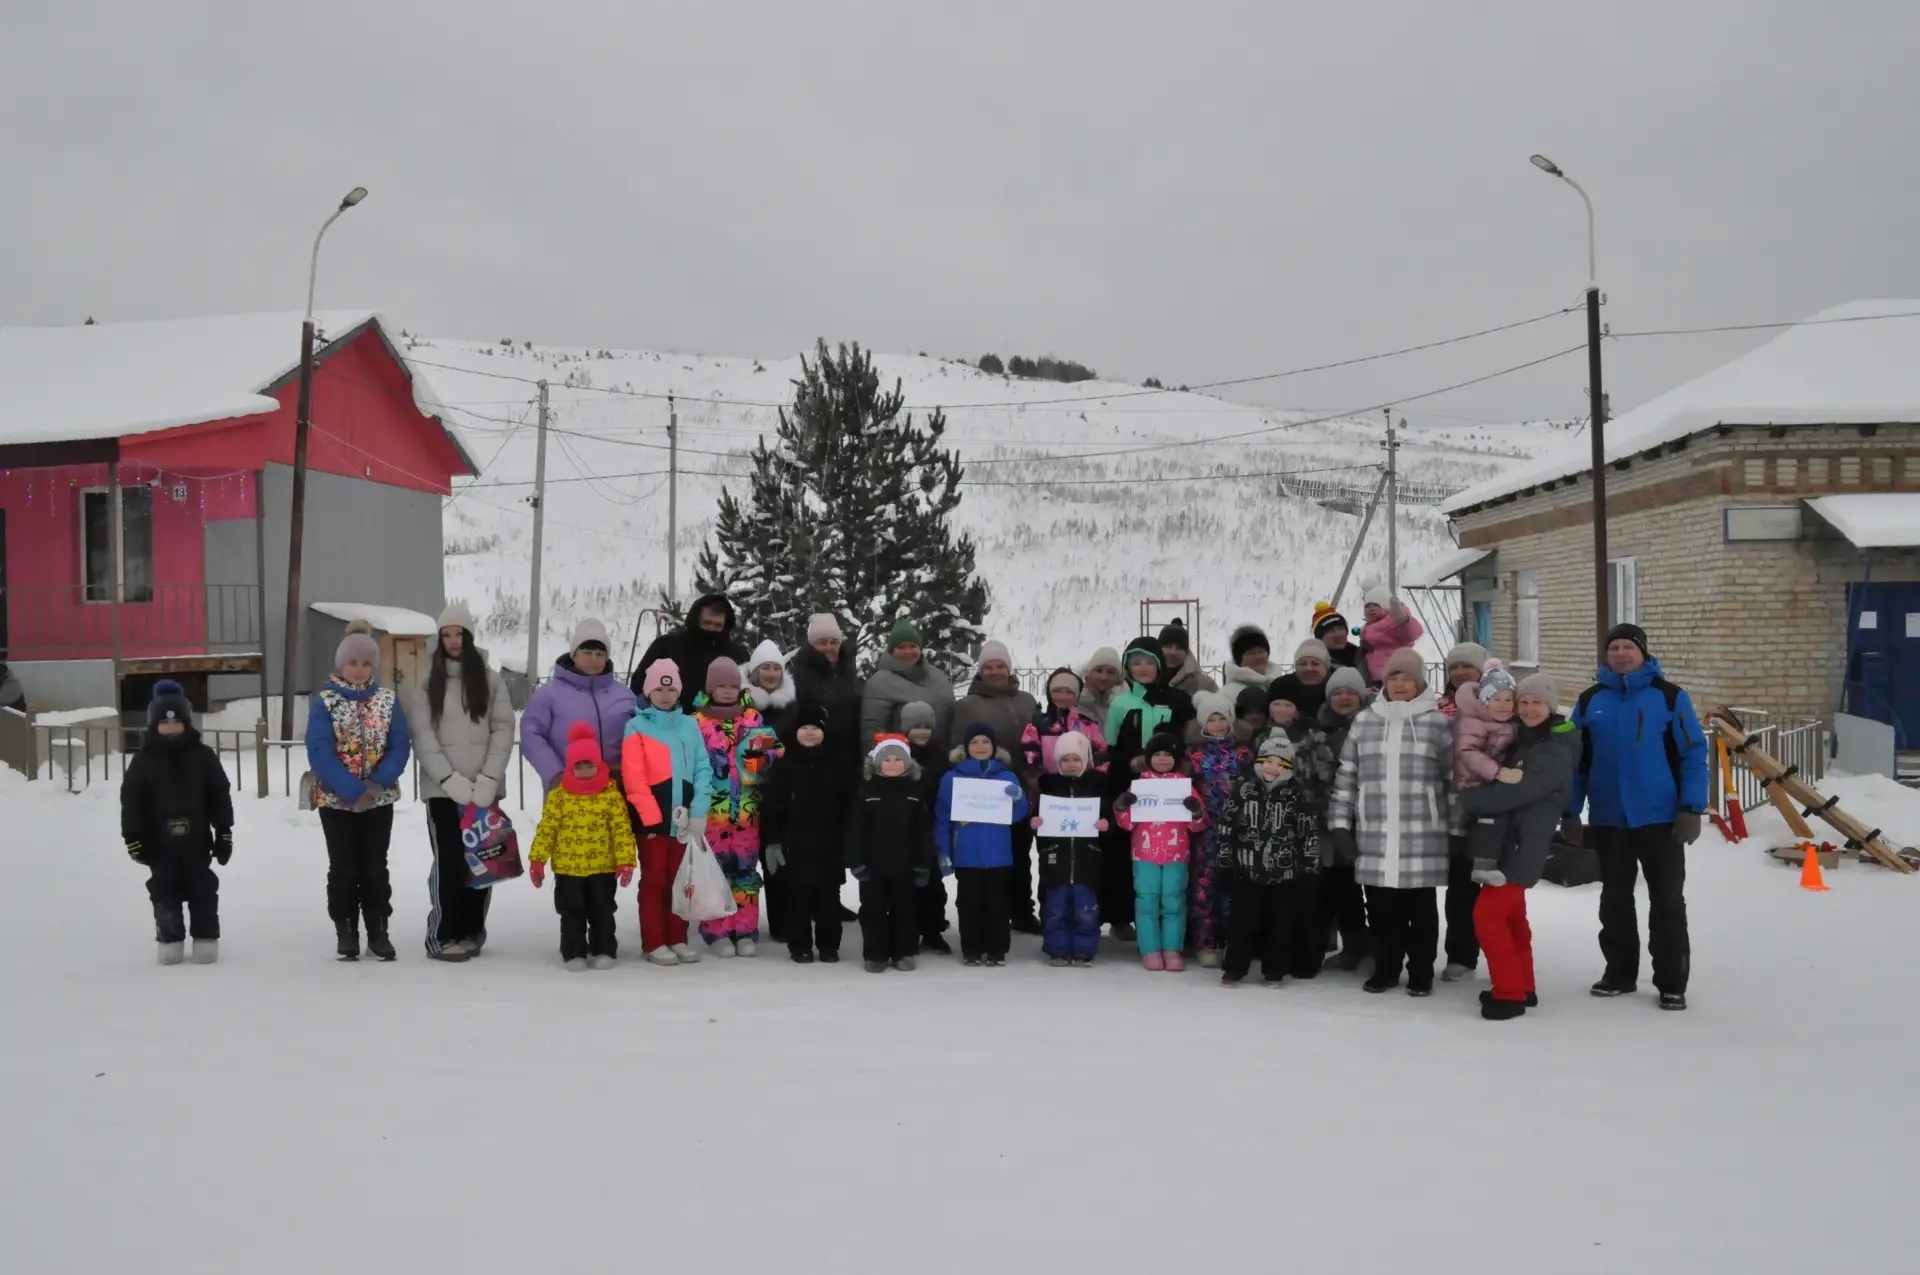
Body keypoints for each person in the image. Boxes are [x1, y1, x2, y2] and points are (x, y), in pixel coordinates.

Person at [1566, 623, 1708, 1011]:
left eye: (1628, 647)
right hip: (1610, 818)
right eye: (1614, 648)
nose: (1621, 654)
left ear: (1643, 653)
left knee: (1667, 902)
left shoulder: (1669, 697)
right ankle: (1620, 973)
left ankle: (1671, 982)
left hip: (1660, 819)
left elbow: (1694, 754)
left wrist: (1691, 808)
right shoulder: (1590, 700)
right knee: (1614, 899)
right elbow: (1575, 760)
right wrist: (1571, 811)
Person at [1327, 648, 1451, 996]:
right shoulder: (1365, 721)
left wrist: (1456, 830)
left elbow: (1453, 780)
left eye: (1407, 678)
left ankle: (1422, 971)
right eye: (1394, 677)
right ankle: (1386, 968)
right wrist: (1340, 825)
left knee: (1421, 911)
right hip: (1376, 835)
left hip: (1422, 835)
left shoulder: (1437, 723)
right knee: (1382, 911)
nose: (1399, 684)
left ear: (1419, 682)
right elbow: (1346, 776)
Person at [1460, 674, 1577, 1020]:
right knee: (1512, 918)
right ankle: (1522, 986)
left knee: (1488, 916)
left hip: (1524, 845)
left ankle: (1509, 994)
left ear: (1551, 706)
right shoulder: (1529, 740)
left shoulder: (1553, 749)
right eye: (1522, 702)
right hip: (1512, 843)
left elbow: (1517, 792)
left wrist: (1468, 799)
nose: (1528, 709)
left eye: (1537, 702)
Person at [407, 603, 515, 962]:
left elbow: (503, 729)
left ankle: (472, 931)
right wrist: (448, 778)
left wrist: (488, 778)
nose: (453, 640)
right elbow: (423, 736)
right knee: (449, 862)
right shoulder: (425, 684)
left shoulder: (490, 679)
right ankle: (443, 934)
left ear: (468, 637)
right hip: (444, 793)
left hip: (483, 792)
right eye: (446, 634)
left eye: (459, 633)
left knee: (483, 861)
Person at [305, 620, 411, 962]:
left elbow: (399, 744)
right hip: (337, 801)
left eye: (366, 663)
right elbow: (320, 750)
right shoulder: (325, 701)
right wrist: (352, 789)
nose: (359, 669)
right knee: (344, 866)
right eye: (353, 662)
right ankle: (346, 929)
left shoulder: (387, 700)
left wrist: (377, 783)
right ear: (341, 663)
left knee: (375, 866)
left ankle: (378, 931)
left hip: (378, 799)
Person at [121, 680, 232, 966]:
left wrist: (224, 832)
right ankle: (170, 938)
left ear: (186, 723)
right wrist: (133, 836)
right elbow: (131, 800)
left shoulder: (203, 757)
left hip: (197, 842)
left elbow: (219, 794)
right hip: (160, 844)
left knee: (202, 889)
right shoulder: (144, 761)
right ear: (153, 724)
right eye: (164, 723)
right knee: (164, 890)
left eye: (177, 722)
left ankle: (206, 937)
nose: (171, 728)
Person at [1102, 637, 1197, 939]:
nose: (1142, 668)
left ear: (1159, 665)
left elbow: (1187, 740)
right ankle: (1122, 917)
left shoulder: (1178, 700)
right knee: (1126, 851)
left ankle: (1171, 924)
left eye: (1148, 662)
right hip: (1131, 786)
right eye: (1135, 662)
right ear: (1127, 667)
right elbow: (1111, 746)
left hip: (1169, 789)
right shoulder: (1121, 703)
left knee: (1169, 856)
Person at [527, 722, 638, 971]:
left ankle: (604, 949)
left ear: (599, 765)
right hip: (568, 868)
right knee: (571, 912)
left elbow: (621, 829)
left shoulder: (610, 794)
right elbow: (548, 829)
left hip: (602, 866)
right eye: (579, 765)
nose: (585, 770)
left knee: (602, 910)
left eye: (590, 764)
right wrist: (537, 859)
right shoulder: (560, 795)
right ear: (570, 767)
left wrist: (626, 861)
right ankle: (573, 951)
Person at [690, 657, 782, 956]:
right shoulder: (696, 722)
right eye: (721, 686)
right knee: (714, 872)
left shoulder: (753, 718)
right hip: (712, 814)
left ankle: (744, 929)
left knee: (745, 872)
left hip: (746, 811)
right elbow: (687, 764)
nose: (728, 691)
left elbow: (773, 751)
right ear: (710, 688)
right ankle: (716, 931)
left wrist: (757, 762)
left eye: (733, 685)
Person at [622, 659, 710, 966]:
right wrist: (651, 817)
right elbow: (634, 778)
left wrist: (698, 812)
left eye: (670, 688)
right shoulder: (636, 726)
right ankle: (654, 941)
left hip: (684, 821)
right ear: (648, 691)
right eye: (658, 688)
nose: (664, 694)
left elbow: (702, 769)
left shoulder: (690, 725)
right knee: (655, 881)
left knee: (680, 882)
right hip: (653, 823)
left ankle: (677, 937)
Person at [1217, 735, 1323, 987]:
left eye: (1280, 764)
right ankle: (1234, 969)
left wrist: (1308, 865)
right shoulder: (1244, 790)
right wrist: (1224, 860)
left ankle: (1274, 970)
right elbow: (1226, 827)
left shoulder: (1297, 796)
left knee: (1280, 927)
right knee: (1241, 924)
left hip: (1283, 874)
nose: (1272, 768)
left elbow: (1308, 833)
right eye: (1268, 761)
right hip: (1247, 871)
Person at [955, 640, 1041, 932]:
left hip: (1019, 790)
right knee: (987, 858)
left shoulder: (1027, 701)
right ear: (980, 671)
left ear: (1009, 668)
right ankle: (989, 914)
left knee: (1020, 853)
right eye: (988, 667)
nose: (994, 671)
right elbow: (956, 746)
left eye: (1000, 666)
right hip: (982, 794)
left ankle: (1022, 910)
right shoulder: (967, 705)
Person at [760, 702, 854, 964]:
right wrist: (773, 841)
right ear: (795, 731)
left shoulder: (837, 764)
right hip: (794, 843)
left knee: (828, 898)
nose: (810, 732)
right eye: (805, 727)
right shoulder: (784, 765)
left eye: (816, 727)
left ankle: (828, 945)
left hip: (829, 844)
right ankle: (799, 944)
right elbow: (773, 807)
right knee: (796, 898)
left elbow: (848, 805)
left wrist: (848, 842)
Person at [1443, 660, 1518, 982]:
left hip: (1502, 811)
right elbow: (1466, 753)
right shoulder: (1464, 717)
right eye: (1455, 665)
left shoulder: (1514, 716)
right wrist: (1498, 773)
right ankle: (1461, 955)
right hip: (1465, 806)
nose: (1501, 705)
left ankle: (1505, 954)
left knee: (1498, 888)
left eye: (1468, 665)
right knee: (1463, 884)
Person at [935, 722, 1029, 966]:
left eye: (985, 742)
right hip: (966, 851)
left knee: (998, 903)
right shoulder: (952, 778)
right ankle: (972, 948)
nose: (980, 746)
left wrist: (1018, 798)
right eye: (974, 742)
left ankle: (997, 949)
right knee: (969, 902)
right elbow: (943, 816)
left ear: (994, 747)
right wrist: (943, 849)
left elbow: (1018, 813)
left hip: (999, 852)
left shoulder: (1006, 776)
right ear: (965, 747)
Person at [1112, 732, 1207, 972]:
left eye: (1168, 755)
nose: (1163, 759)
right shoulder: (1140, 786)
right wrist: (1122, 806)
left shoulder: (1184, 787)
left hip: (1177, 855)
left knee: (1174, 901)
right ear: (1148, 758)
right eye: (1157, 755)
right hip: (1144, 855)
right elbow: (1127, 823)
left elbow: (1198, 824)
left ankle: (1172, 949)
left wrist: (1196, 811)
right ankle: (1150, 950)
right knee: (1146, 902)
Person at [846, 735, 937, 972]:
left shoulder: (915, 793)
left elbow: (923, 832)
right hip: (872, 867)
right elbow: (856, 830)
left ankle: (904, 951)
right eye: (888, 759)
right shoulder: (866, 791)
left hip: (905, 865)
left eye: (899, 759)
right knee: (873, 911)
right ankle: (875, 954)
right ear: (876, 764)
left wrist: (923, 864)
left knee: (905, 910)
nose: (894, 763)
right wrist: (856, 861)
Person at [1299, 666, 1369, 969]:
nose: (1343, 697)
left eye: (1350, 692)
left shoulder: (1373, 724)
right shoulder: (1318, 731)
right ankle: (1348, 947)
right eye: (1337, 692)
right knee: (1337, 886)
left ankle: (1373, 948)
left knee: (1374, 888)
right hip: (1328, 820)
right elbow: (1308, 772)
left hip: (1368, 817)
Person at [523, 620, 637, 798]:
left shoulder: (625, 695)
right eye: (587, 653)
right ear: (574, 655)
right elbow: (531, 736)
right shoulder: (549, 694)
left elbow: (640, 736)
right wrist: (554, 774)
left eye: (600, 654)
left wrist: (627, 769)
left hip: (616, 792)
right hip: (566, 791)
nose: (593, 659)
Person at [1032, 731, 1109, 967]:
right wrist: (1036, 824)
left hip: (1088, 857)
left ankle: (1084, 949)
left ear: (1085, 759)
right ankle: (1057, 949)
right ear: (1057, 762)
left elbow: (1108, 816)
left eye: (1076, 759)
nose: (1071, 764)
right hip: (1056, 857)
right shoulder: (1049, 785)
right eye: (1065, 759)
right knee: (1056, 907)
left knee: (1086, 909)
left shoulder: (1097, 784)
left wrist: (1106, 824)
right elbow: (1040, 817)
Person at [1187, 689, 1249, 967]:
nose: (1217, 725)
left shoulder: (1244, 752)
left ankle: (1235, 941)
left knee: (1235, 887)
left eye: (1222, 718)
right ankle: (1207, 941)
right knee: (1205, 887)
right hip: (1206, 831)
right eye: (1211, 719)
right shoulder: (1195, 756)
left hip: (1238, 831)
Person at [629, 592, 750, 713]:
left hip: (723, 727)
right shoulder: (666, 646)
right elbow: (638, 685)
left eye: (718, 625)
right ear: (695, 620)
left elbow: (749, 693)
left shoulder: (737, 655)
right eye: (707, 623)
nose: (712, 629)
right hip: (672, 724)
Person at [860, 619, 957, 752]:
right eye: (901, 647)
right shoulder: (879, 682)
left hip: (940, 761)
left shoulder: (940, 678)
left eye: (913, 646)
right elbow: (872, 731)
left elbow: (952, 722)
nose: (908, 652)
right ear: (892, 651)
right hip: (899, 762)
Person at [903, 701, 953, 953]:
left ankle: (933, 930)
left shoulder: (940, 757)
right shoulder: (896, 755)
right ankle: (909, 931)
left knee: (933, 885)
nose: (921, 732)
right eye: (915, 727)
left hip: (932, 828)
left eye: (926, 726)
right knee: (909, 885)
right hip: (904, 831)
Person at [788, 613, 865, 764]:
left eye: (834, 642)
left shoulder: (847, 673)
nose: (829, 647)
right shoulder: (797, 676)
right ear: (812, 644)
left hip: (848, 761)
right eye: (822, 642)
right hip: (812, 760)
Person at [1020, 667, 1111, 784]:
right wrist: (1042, 780)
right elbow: (1030, 760)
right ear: (1049, 693)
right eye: (1057, 691)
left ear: (1077, 695)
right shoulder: (1037, 726)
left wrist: (1093, 779)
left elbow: (1102, 756)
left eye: (1069, 692)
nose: (1062, 696)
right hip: (1050, 790)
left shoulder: (1088, 726)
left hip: (1083, 790)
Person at [1359, 583, 1425, 686]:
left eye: (1376, 605)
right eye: (1368, 606)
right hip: (1374, 676)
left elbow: (1411, 634)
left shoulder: (1392, 622)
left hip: (1393, 675)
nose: (1371, 609)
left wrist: (1405, 622)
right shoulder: (1368, 626)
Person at [1267, 639, 1331, 723]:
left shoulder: (1335, 689)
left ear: (1325, 667)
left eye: (1315, 663)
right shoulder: (1280, 686)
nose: (1308, 668)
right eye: (1302, 663)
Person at [745, 638, 797, 738]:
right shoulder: (739, 703)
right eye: (765, 668)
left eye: (777, 668)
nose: (772, 675)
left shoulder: (791, 707)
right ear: (755, 672)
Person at [1159, 619, 1218, 696]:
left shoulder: (1204, 685)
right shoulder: (1145, 679)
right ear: (1159, 648)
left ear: (1186, 652)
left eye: (1179, 648)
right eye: (1168, 646)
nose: (1173, 652)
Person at [1436, 642, 1491, 719]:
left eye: (1467, 666)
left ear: (1482, 670)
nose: (1460, 672)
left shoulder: (1501, 705)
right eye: (1454, 667)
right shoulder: (1436, 708)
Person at [1309, 602, 1363, 674]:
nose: (1338, 634)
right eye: (1330, 631)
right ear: (1320, 638)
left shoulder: (1364, 656)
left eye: (1341, 629)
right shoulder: (1313, 666)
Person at [1077, 646, 1125, 726]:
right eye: (1098, 670)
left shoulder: (1125, 707)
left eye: (1110, 672)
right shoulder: (1075, 702)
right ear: (1088, 674)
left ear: (1118, 679)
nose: (1104, 677)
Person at [1223, 625, 1275, 695]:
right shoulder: (1229, 694)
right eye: (1251, 653)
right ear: (1239, 660)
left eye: (1261, 652)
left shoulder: (1281, 687)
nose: (1258, 656)